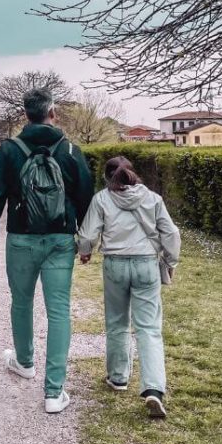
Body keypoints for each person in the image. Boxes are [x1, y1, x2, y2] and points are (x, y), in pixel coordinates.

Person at [0, 87, 94, 414]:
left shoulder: (10, 150)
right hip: (60, 240)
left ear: (25, 115)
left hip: (21, 238)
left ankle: (25, 361)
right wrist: (84, 242)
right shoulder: (71, 150)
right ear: (52, 112)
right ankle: (54, 392)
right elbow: (86, 197)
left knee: (22, 301)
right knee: (59, 311)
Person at [77, 155, 181, 419]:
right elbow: (171, 233)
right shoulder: (153, 198)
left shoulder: (102, 198)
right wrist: (170, 261)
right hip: (147, 264)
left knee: (117, 322)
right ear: (132, 174)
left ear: (106, 177)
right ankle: (154, 389)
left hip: (115, 264)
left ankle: (118, 377)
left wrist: (85, 251)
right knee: (149, 329)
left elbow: (88, 234)